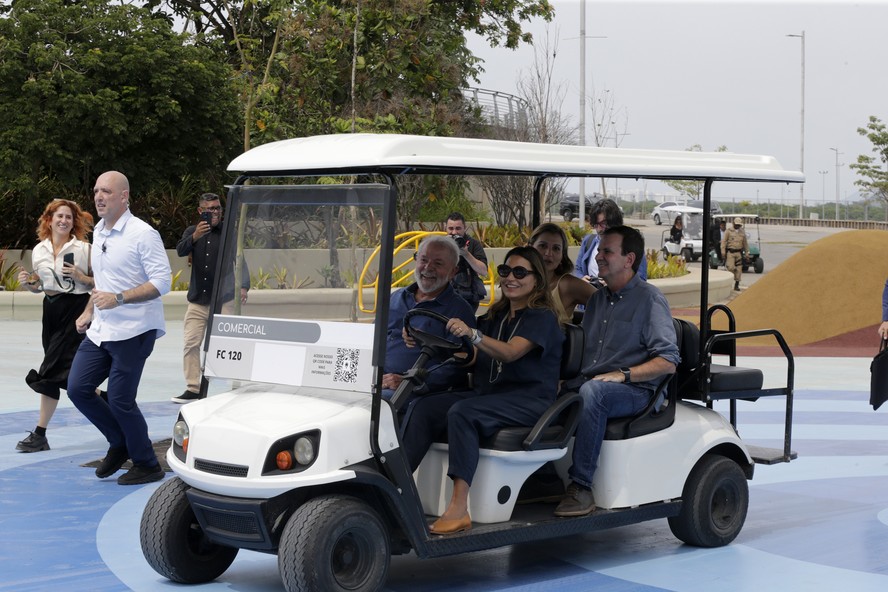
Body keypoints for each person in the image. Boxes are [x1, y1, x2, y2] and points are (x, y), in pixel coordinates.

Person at [401, 247, 564, 535]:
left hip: (530, 402)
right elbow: (476, 356)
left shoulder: (542, 318)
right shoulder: (496, 315)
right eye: (505, 271)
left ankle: (459, 507)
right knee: (423, 406)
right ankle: (398, 489)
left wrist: (473, 334)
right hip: (490, 396)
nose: (510, 278)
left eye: (520, 272)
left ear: (537, 280)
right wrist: (446, 345)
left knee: (463, 412)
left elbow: (511, 353)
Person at [554, 226, 679, 517]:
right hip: (596, 381)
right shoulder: (598, 299)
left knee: (593, 393)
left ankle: (581, 486)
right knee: (547, 387)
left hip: (638, 389)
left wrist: (624, 374)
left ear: (628, 259)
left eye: (607, 251)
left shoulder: (650, 300)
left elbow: (668, 360)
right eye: (599, 251)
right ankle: (543, 476)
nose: (598, 256)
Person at [67, 171, 172, 485]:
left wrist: (120, 299)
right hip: (102, 328)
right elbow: (104, 282)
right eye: (96, 191)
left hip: (136, 330)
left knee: (121, 400)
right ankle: (120, 441)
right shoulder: (99, 231)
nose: (99, 197)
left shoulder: (143, 233)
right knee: (78, 388)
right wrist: (89, 310)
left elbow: (162, 282)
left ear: (124, 197)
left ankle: (146, 463)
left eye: (107, 192)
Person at [15, 200, 98, 452]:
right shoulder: (39, 249)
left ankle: (40, 434)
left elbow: (103, 281)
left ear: (74, 223)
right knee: (69, 375)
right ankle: (114, 405)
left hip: (75, 310)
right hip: (50, 310)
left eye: (69, 217)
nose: (64, 220)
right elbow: (39, 285)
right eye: (59, 216)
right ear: (49, 220)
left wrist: (81, 278)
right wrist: (29, 284)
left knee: (50, 371)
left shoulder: (85, 249)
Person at [173, 193, 249, 403]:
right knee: (190, 342)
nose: (215, 213)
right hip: (198, 299)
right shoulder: (193, 231)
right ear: (200, 211)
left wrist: (243, 286)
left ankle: (234, 385)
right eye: (210, 209)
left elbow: (240, 258)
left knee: (228, 343)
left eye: (217, 208)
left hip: (223, 299)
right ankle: (193, 387)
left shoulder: (228, 233)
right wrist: (195, 236)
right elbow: (181, 250)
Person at [382, 235, 476, 399]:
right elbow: (372, 341)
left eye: (438, 263)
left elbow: (457, 365)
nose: (428, 267)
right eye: (423, 260)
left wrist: (409, 381)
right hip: (378, 381)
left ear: (453, 271)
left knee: (375, 405)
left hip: (416, 390)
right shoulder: (395, 298)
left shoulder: (459, 310)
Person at [528, 222, 597, 325]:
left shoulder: (567, 285)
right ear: (530, 248)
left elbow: (610, 305)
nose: (548, 253)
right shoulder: (517, 280)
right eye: (542, 246)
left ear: (562, 256)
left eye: (556, 248)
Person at [575, 199, 647, 287]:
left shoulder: (633, 245)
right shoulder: (588, 241)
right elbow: (578, 268)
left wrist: (617, 284)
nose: (599, 229)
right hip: (591, 298)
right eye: (596, 224)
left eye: (603, 223)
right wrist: (581, 278)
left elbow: (641, 278)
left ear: (615, 222)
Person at [444, 212, 488, 311]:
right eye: (450, 229)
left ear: (465, 228)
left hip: (467, 296)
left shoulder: (473, 244)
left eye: (458, 228)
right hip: (445, 293)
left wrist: (466, 254)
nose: (454, 233)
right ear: (445, 228)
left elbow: (483, 271)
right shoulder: (441, 244)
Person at [721, 216, 749, 291]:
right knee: (730, 267)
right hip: (731, 252)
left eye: (739, 225)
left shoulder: (742, 232)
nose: (737, 226)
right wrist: (723, 251)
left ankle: (737, 284)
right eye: (736, 224)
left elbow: (745, 243)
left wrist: (747, 253)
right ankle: (729, 282)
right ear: (733, 223)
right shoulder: (728, 231)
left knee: (739, 269)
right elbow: (724, 241)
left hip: (739, 253)